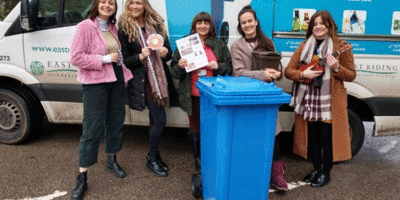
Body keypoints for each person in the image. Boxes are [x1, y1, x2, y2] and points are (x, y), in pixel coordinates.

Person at [284, 10, 356, 187]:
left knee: (326, 135)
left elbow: (352, 75)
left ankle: (326, 172)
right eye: (315, 24)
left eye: (322, 24)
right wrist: (303, 73)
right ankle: (316, 168)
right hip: (309, 98)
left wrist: (337, 67)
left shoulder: (341, 47)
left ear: (329, 26)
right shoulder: (304, 46)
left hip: (329, 100)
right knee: (313, 135)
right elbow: (288, 71)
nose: (318, 27)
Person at [69, 0, 133, 199]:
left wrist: (121, 65)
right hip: (96, 82)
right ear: (96, 5)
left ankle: (112, 160)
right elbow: (76, 57)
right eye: (103, 2)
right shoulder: (85, 26)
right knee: (92, 128)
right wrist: (104, 59)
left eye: (111, 3)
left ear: (115, 8)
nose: (107, 5)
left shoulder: (112, 27)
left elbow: (115, 53)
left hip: (116, 79)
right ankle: (82, 176)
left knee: (115, 122)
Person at [230, 5, 288, 191]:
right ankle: (251, 173)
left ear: (256, 22)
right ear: (240, 26)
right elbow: (238, 73)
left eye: (250, 21)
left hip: (267, 96)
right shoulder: (236, 46)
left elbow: (279, 67)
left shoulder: (268, 41)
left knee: (273, 134)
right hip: (248, 97)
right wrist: (263, 74)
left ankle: (277, 174)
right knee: (251, 137)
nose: (247, 25)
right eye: (243, 22)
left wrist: (279, 74)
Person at [118, 0, 178, 177]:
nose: (135, 6)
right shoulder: (124, 28)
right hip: (143, 81)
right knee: (160, 120)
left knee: (155, 119)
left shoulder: (156, 24)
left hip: (159, 79)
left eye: (138, 2)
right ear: (127, 6)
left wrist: (166, 53)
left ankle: (154, 155)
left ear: (145, 5)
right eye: (131, 3)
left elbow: (168, 51)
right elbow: (124, 60)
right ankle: (152, 159)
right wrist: (139, 56)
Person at [170, 12, 232, 172]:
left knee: (213, 126)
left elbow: (230, 69)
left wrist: (218, 67)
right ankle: (198, 158)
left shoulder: (219, 44)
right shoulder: (185, 44)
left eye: (206, 23)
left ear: (211, 26)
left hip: (213, 95)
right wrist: (180, 66)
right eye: (199, 23)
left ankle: (212, 155)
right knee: (195, 126)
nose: (202, 26)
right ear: (194, 25)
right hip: (193, 94)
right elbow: (175, 72)